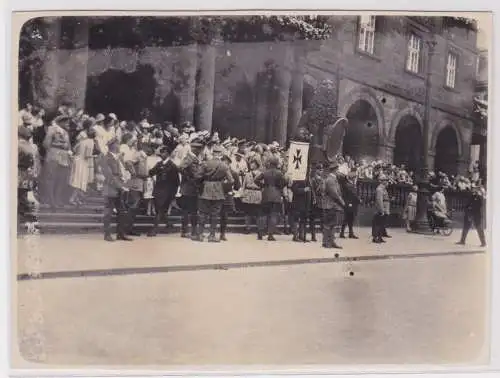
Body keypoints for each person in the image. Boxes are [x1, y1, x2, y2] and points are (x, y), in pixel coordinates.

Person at [193, 145, 233, 243]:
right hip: (218, 191)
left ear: (212, 152)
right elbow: (231, 180)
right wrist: (223, 188)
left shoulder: (206, 163)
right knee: (215, 214)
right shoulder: (224, 166)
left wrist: (201, 184)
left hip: (206, 189)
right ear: (221, 154)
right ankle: (212, 236)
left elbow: (197, 176)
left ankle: (200, 235)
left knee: (202, 213)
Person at [100, 137, 131, 242]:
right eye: (117, 144)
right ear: (113, 146)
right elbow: (109, 175)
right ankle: (107, 234)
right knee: (108, 212)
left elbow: (121, 173)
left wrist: (123, 184)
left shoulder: (117, 158)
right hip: (110, 187)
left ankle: (120, 233)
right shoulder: (106, 158)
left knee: (121, 211)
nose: (119, 146)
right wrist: (120, 186)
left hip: (118, 187)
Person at [147, 145, 180, 237]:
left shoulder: (172, 166)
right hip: (158, 190)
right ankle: (169, 224)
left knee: (160, 210)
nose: (162, 154)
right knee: (160, 210)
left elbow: (176, 181)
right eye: (161, 152)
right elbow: (151, 172)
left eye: (164, 152)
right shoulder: (159, 164)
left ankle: (154, 229)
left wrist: (173, 194)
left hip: (167, 192)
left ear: (168, 154)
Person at [42, 115, 73, 209]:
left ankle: (57, 198)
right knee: (51, 178)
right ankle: (51, 200)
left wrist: (69, 153)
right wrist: (55, 148)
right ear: (60, 122)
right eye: (66, 121)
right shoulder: (52, 129)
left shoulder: (66, 132)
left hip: (64, 157)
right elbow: (46, 144)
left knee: (62, 179)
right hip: (54, 155)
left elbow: (69, 146)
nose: (68, 123)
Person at [255, 156, 287, 241]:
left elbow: (256, 180)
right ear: (276, 164)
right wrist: (279, 187)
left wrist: (263, 186)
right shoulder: (279, 173)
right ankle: (270, 235)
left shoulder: (265, 172)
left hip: (266, 194)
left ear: (270, 163)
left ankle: (260, 233)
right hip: (276, 195)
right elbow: (285, 182)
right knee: (273, 215)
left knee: (263, 215)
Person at [178, 141, 204, 238]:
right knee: (190, 210)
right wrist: (188, 177)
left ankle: (189, 231)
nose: (200, 151)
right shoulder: (190, 157)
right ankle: (189, 231)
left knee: (191, 210)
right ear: (195, 149)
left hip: (191, 188)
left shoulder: (194, 158)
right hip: (188, 188)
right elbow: (180, 167)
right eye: (199, 149)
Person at [318, 161, 345, 249]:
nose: (338, 171)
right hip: (330, 205)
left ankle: (331, 241)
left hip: (332, 205)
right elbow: (334, 193)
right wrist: (341, 201)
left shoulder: (332, 179)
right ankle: (326, 242)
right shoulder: (330, 179)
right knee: (328, 224)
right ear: (335, 170)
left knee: (332, 224)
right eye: (337, 169)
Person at [68, 121, 96, 206]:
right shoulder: (90, 142)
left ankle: (76, 199)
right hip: (82, 163)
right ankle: (72, 199)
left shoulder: (83, 141)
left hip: (77, 160)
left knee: (78, 180)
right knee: (79, 181)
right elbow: (87, 156)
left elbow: (74, 149)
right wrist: (94, 156)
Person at [220, 155, 241, 241]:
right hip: (217, 194)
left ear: (229, 163)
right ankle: (213, 232)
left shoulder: (234, 173)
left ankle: (222, 233)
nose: (225, 165)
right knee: (214, 214)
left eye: (226, 163)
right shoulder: (218, 171)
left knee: (224, 216)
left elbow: (237, 186)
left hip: (227, 196)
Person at [339, 168, 361, 239]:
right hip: (349, 203)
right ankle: (344, 233)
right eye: (355, 177)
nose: (355, 178)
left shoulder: (350, 184)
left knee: (350, 219)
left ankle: (348, 233)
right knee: (348, 218)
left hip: (350, 203)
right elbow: (353, 194)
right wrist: (359, 200)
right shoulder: (348, 184)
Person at [290, 175, 312, 243]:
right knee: (296, 219)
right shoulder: (297, 179)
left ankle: (301, 235)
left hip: (305, 203)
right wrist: (304, 190)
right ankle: (295, 236)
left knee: (303, 219)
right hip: (298, 203)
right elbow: (294, 189)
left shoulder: (308, 180)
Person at [372, 175, 390, 243]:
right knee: (378, 224)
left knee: (382, 224)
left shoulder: (384, 189)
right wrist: (381, 210)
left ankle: (380, 237)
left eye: (386, 180)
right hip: (381, 209)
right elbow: (379, 200)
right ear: (382, 181)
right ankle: (375, 237)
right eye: (385, 180)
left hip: (385, 208)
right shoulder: (379, 189)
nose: (386, 181)